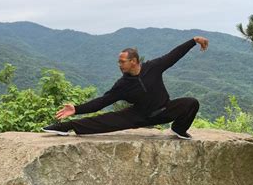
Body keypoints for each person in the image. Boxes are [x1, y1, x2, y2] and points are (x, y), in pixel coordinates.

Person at [42, 36, 209, 140]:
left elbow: (174, 55)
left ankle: (178, 129)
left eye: (122, 62)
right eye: (119, 61)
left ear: (134, 61)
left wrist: (193, 41)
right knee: (103, 121)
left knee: (191, 103)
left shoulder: (154, 67)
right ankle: (63, 128)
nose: (119, 64)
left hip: (164, 110)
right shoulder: (123, 85)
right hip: (138, 116)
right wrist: (76, 109)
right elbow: (102, 102)